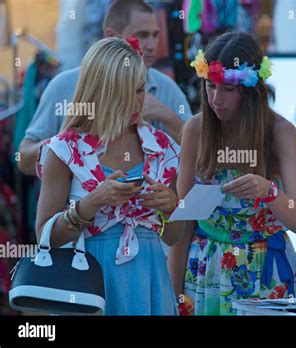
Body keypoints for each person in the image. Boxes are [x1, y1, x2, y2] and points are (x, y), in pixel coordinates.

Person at [35, 37, 184, 315]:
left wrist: (170, 207)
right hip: (88, 284)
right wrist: (91, 203)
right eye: (125, 92)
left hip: (150, 285)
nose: (136, 102)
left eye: (140, 90)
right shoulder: (64, 150)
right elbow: (45, 236)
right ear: (100, 92)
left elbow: (173, 237)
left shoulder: (161, 147)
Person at [168, 32, 296, 315]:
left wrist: (268, 191)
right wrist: (174, 297)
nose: (215, 99)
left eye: (228, 90)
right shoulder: (196, 130)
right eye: (210, 86)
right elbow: (183, 223)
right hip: (206, 268)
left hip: (264, 267)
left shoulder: (280, 132)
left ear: (251, 89)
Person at [19, 0, 191, 177]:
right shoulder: (63, 86)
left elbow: (200, 157)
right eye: (142, 35)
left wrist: (167, 116)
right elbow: (24, 161)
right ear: (111, 35)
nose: (152, 45)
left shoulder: (166, 88)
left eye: (155, 35)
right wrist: (68, 140)